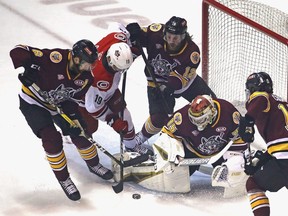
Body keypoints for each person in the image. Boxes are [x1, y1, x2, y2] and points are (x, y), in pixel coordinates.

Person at [9, 39, 113, 201]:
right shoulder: (54, 59)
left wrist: (74, 120)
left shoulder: (86, 78)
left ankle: (94, 165)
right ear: (77, 59)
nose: (91, 68)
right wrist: (27, 69)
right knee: (52, 139)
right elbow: (19, 50)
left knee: (82, 134)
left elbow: (75, 100)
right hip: (33, 102)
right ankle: (64, 179)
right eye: (88, 64)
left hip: (60, 103)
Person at [114, 95, 248, 193]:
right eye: (194, 120)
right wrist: (173, 153)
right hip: (191, 154)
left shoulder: (228, 112)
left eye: (201, 120)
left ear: (211, 113)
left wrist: (233, 157)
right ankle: (132, 167)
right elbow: (166, 134)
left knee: (236, 174)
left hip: (219, 153)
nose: (197, 124)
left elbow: (240, 136)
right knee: (173, 177)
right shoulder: (181, 117)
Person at [125, 16, 217, 144]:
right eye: (169, 37)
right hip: (156, 81)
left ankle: (215, 140)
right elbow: (140, 37)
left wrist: (167, 87)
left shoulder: (192, 52)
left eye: (176, 38)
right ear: (164, 33)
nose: (171, 41)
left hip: (187, 84)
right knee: (158, 119)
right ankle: (138, 140)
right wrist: (135, 33)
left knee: (213, 106)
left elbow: (180, 79)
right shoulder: (156, 33)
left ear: (184, 36)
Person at [84, 25, 153, 156]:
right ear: (110, 59)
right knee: (88, 128)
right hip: (85, 97)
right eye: (118, 68)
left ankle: (131, 147)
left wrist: (132, 33)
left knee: (125, 116)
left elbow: (118, 28)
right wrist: (112, 120)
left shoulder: (116, 39)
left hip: (109, 92)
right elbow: (93, 108)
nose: (120, 71)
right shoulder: (99, 80)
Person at [238, 72, 288, 216]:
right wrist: (262, 161)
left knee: (254, 184)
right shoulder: (282, 102)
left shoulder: (261, 97)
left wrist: (248, 121)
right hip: (282, 154)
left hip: (284, 158)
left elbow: (256, 104)